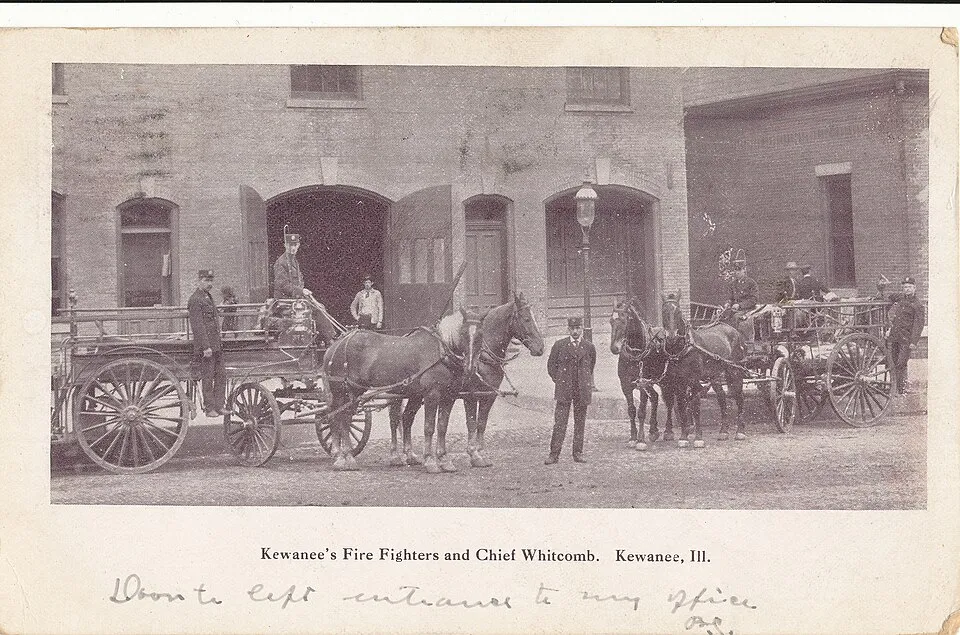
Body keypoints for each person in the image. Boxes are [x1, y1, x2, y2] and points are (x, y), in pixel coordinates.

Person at [545, 316, 596, 465]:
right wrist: (560, 380)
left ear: (581, 329)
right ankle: (554, 454)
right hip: (564, 390)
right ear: (568, 329)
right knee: (560, 423)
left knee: (580, 423)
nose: (575, 331)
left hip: (581, 390)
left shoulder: (589, 347)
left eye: (578, 328)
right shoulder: (559, 345)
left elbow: (590, 366)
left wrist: (583, 381)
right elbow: (551, 367)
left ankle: (578, 453)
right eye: (572, 328)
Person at [188, 269, 226, 417]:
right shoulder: (195, 299)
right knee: (208, 377)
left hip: (216, 345)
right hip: (207, 347)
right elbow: (198, 326)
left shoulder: (207, 296)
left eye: (211, 281)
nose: (209, 284)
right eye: (206, 281)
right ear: (199, 281)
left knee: (221, 375)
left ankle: (219, 405)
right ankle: (210, 408)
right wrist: (206, 347)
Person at [886, 276, 925, 395]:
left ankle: (900, 389)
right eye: (905, 287)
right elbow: (891, 296)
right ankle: (898, 387)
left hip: (906, 339)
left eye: (909, 287)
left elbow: (919, 325)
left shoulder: (917, 305)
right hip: (895, 337)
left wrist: (914, 342)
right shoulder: (901, 298)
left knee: (901, 363)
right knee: (892, 362)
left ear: (914, 288)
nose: (907, 289)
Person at [724, 260, 758, 343]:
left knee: (737, 318)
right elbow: (731, 298)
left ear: (744, 270)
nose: (737, 272)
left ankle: (741, 342)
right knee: (722, 317)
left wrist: (740, 305)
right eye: (735, 270)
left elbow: (753, 300)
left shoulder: (751, 283)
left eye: (739, 270)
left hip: (747, 310)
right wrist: (728, 303)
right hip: (735, 310)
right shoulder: (732, 284)